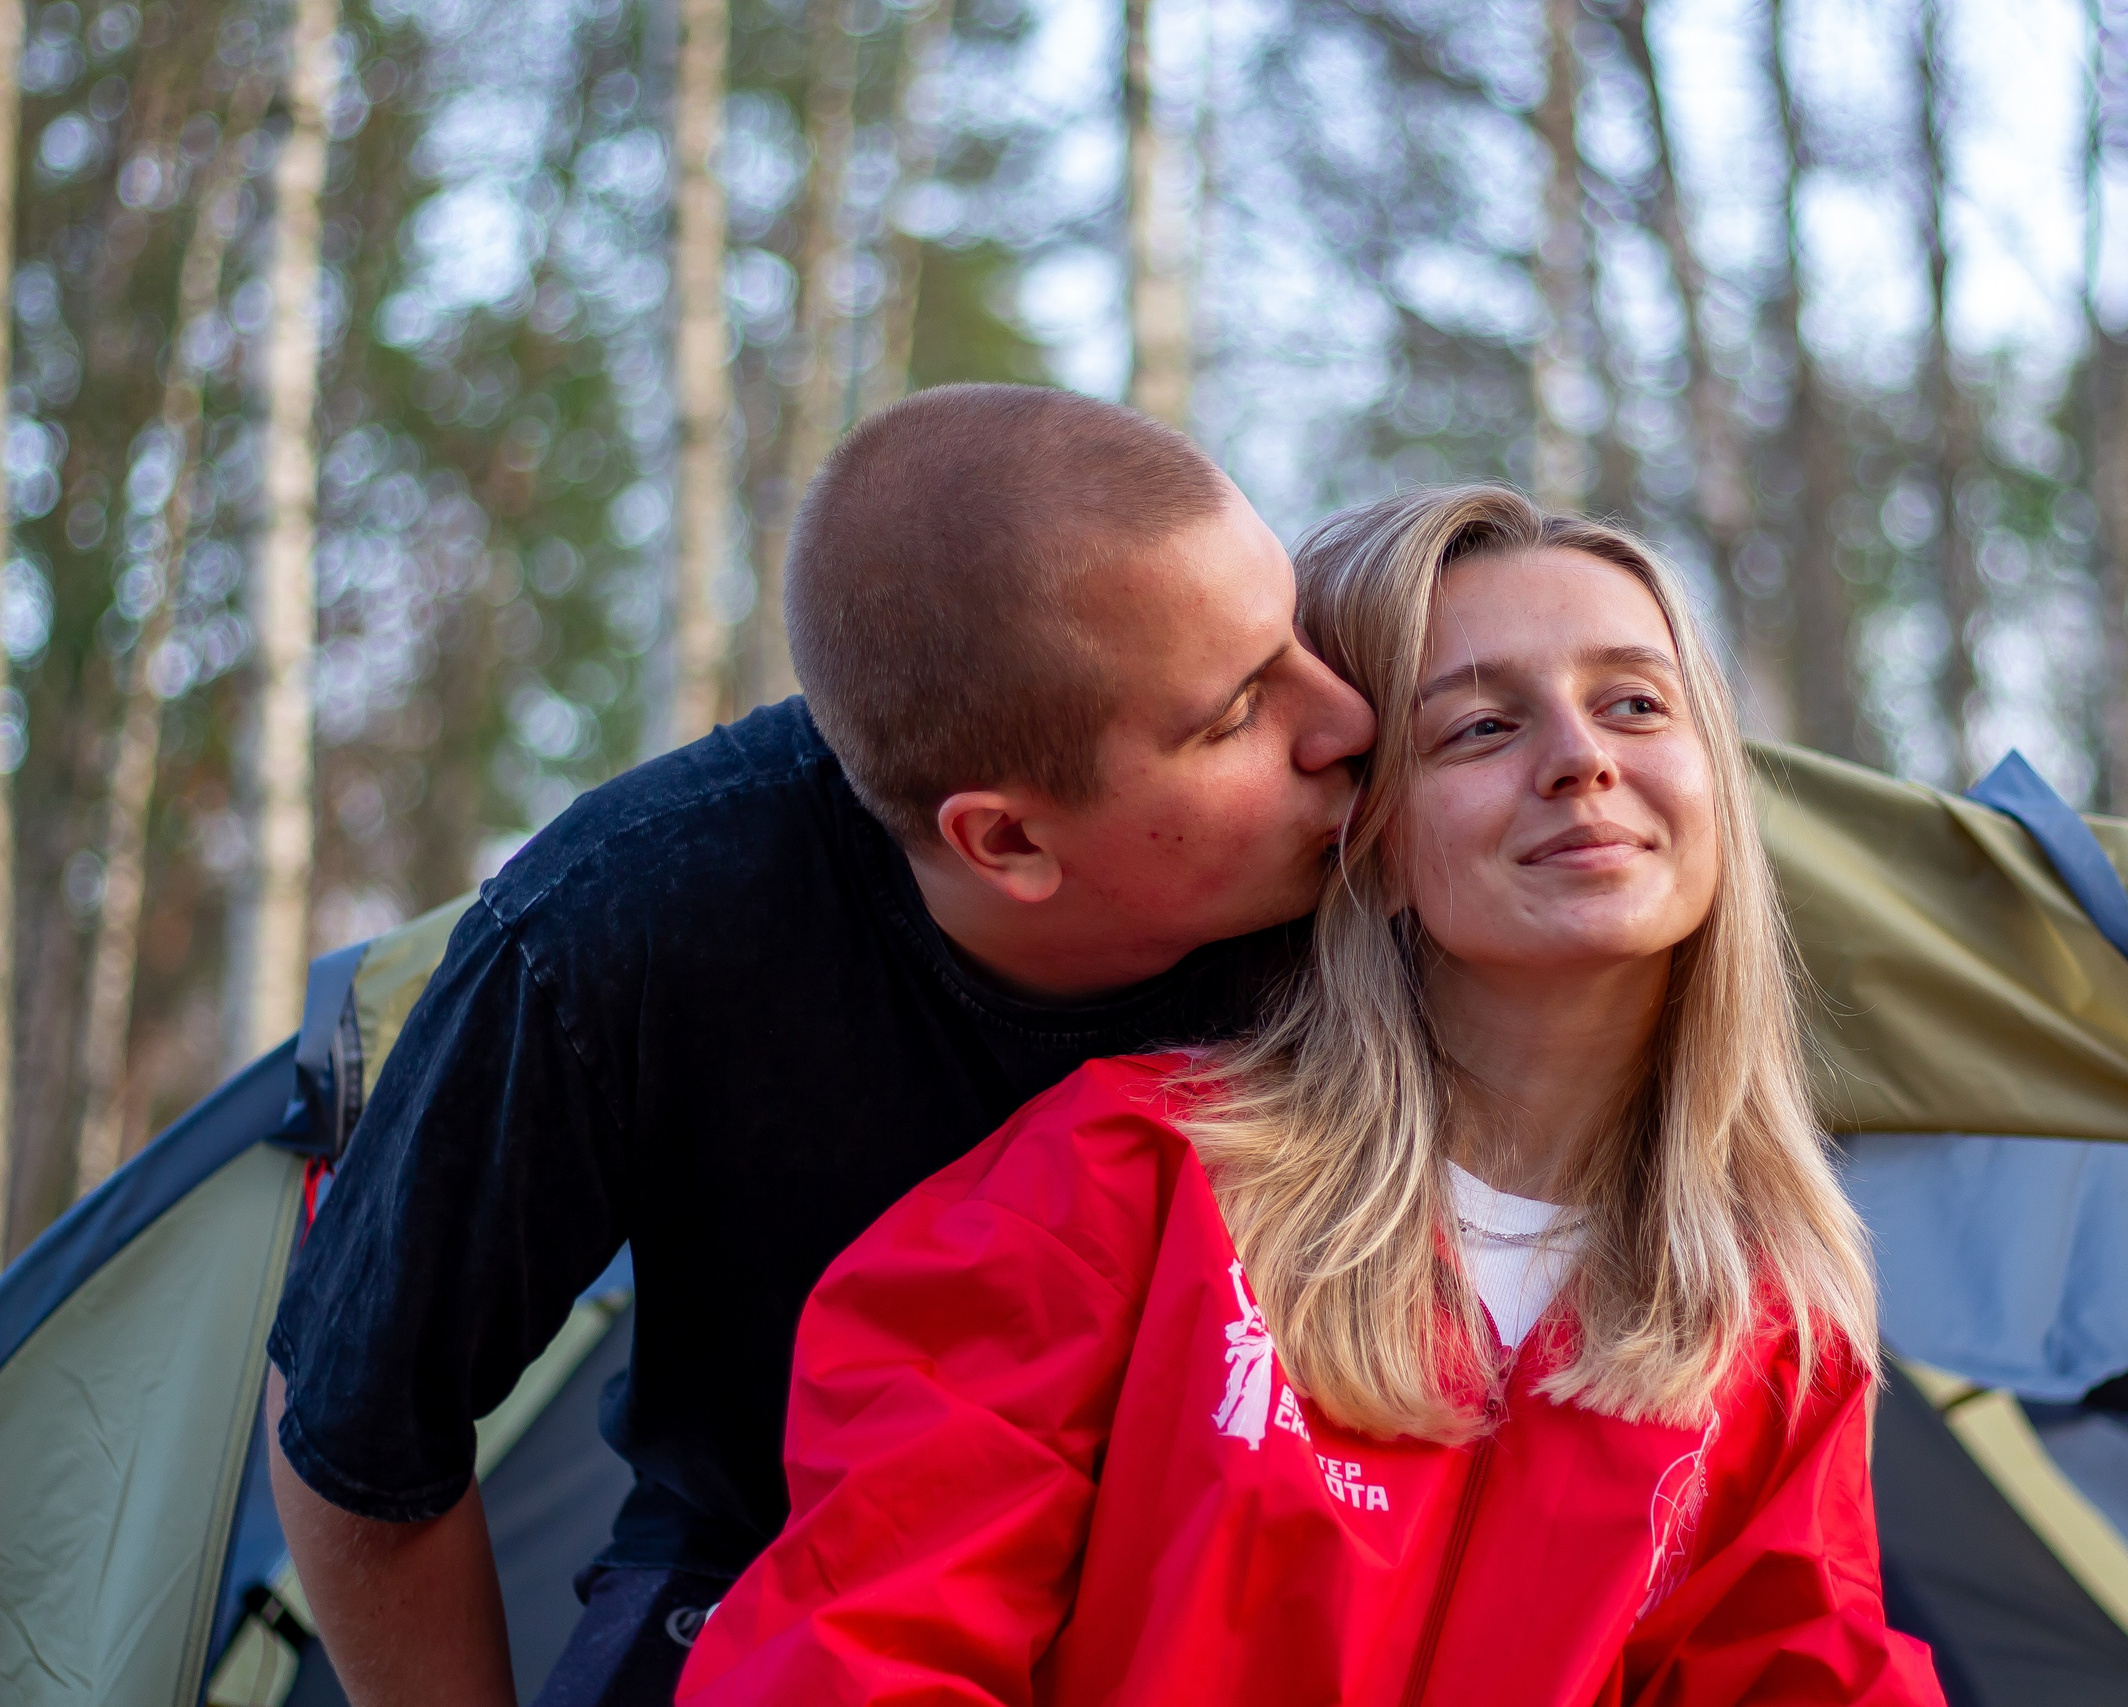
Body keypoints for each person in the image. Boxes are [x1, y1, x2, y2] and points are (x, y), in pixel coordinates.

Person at [675, 487, 1946, 1706]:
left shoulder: (1761, 1314)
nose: (1579, 761)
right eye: (1481, 728)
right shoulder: (1117, 1188)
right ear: (1366, 832)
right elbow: (855, 1654)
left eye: (1632, 703)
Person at [262, 383, 1377, 1707]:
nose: (1347, 720)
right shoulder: (620, 929)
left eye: (1295, 631)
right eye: (1237, 710)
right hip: (764, 1560)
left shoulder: (1393, 871)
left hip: (1254, 1573)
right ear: (1006, 839)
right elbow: (356, 1437)